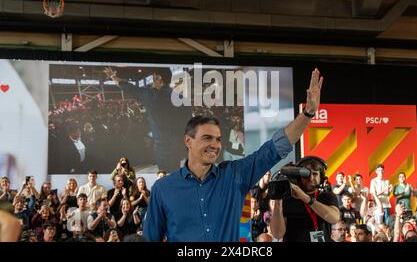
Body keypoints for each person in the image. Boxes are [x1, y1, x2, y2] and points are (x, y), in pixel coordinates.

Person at [143, 68, 323, 242]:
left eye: (218, 139)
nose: (214, 145)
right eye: (207, 138)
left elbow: (274, 149)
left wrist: (308, 113)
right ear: (188, 141)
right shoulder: (163, 189)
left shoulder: (234, 176)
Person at [104, 66, 192, 172]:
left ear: (159, 78)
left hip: (162, 146)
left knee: (164, 176)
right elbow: (189, 124)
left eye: (153, 78)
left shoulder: (151, 96)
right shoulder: (181, 98)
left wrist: (113, 77)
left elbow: (130, 88)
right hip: (178, 144)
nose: (152, 82)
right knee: (175, 172)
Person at [269, 156, 339, 242]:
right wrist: (278, 203)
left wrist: (305, 198)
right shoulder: (288, 198)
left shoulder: (327, 196)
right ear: (298, 177)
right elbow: (277, 234)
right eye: (306, 174)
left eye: (315, 174)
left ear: (321, 177)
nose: (310, 178)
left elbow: (334, 218)